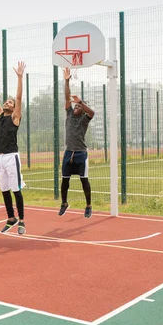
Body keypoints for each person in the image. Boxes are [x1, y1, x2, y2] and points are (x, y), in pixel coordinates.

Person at [0, 61, 27, 234]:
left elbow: (18, 98)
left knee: (15, 188)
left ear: (14, 107)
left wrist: (19, 78)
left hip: (12, 156)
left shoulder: (15, 118)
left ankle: (22, 221)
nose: (7, 103)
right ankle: (11, 217)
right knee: (4, 188)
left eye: (9, 102)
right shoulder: (2, 115)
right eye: (7, 102)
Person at [59, 67, 95, 218]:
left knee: (84, 180)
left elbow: (92, 113)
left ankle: (88, 206)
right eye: (76, 105)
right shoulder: (69, 114)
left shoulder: (84, 119)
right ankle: (64, 203)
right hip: (69, 152)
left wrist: (81, 101)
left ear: (83, 109)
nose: (76, 107)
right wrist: (67, 80)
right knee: (65, 181)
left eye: (79, 106)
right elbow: (67, 97)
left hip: (81, 153)